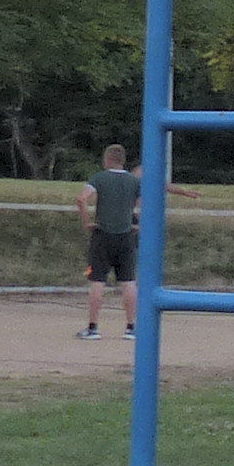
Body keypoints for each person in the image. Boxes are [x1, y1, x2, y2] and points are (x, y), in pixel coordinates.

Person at [76, 144, 140, 339]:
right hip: (126, 235)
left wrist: (87, 222)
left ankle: (93, 327)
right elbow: (144, 203)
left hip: (103, 235)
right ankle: (131, 327)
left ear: (107, 159)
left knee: (98, 281)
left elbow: (81, 198)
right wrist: (138, 223)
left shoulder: (100, 178)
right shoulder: (134, 181)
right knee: (128, 282)